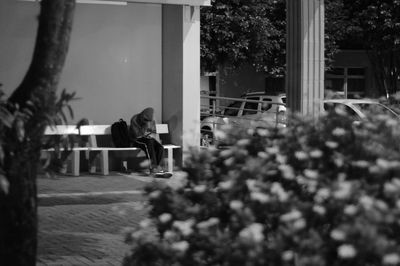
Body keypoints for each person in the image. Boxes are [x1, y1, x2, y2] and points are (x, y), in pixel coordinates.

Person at [129, 107, 164, 174]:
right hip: (136, 140)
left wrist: (151, 133)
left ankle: (158, 166)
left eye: (148, 120)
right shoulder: (134, 119)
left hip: (146, 138)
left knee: (160, 147)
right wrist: (146, 127)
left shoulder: (150, 121)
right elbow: (137, 135)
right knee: (148, 144)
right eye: (145, 120)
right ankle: (153, 167)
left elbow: (152, 131)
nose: (147, 121)